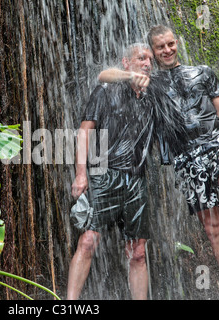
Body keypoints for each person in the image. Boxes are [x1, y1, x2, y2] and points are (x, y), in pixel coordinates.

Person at [99, 25, 219, 285]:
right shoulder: (151, 84)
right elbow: (104, 76)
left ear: (176, 42)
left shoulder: (203, 72)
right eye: (160, 47)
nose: (167, 50)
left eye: (170, 44)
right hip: (186, 157)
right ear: (153, 52)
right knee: (213, 227)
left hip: (217, 141)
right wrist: (130, 76)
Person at [68, 43, 186, 300]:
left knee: (138, 251)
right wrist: (81, 174)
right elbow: (85, 131)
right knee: (88, 241)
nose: (146, 63)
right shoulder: (106, 90)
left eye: (149, 60)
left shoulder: (154, 96)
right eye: (140, 58)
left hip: (136, 179)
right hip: (103, 173)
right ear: (126, 62)